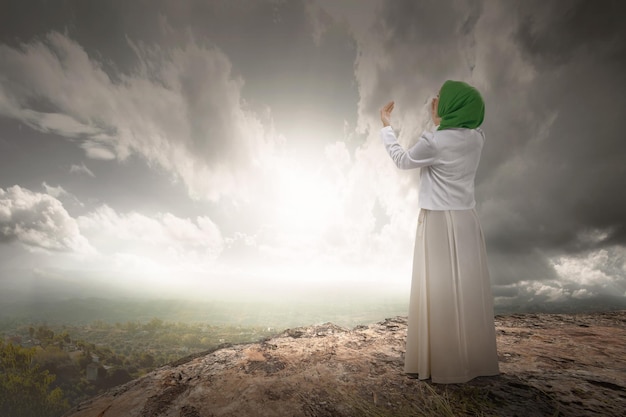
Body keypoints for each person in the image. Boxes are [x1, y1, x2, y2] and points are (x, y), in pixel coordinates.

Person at [379, 80, 499, 384]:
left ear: (449, 107)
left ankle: (442, 364)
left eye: (440, 100)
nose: (435, 102)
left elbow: (403, 160)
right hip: (467, 221)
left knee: (439, 290)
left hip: (437, 222)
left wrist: (386, 127)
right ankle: (473, 362)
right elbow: (458, 135)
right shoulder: (478, 139)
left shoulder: (434, 141)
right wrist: (439, 121)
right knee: (466, 290)